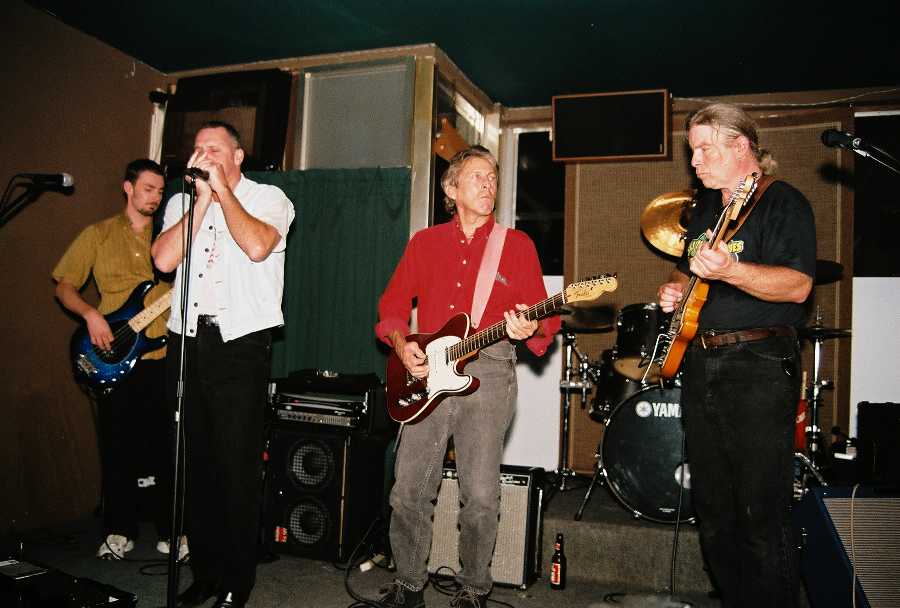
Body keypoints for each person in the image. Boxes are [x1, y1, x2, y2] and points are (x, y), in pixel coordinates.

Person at [375, 146, 560, 608]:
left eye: (493, 177)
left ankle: (475, 587)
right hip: (427, 373)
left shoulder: (517, 245)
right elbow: (392, 306)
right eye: (478, 176)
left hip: (491, 371)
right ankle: (409, 584)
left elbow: (546, 321)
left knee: (479, 496)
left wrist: (531, 328)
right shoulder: (424, 243)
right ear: (451, 187)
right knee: (408, 490)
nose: (489, 184)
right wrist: (401, 343)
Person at [657, 103, 816, 607]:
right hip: (702, 363)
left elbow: (798, 286)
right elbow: (691, 271)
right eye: (692, 151)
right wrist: (675, 290)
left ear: (741, 145)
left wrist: (732, 270)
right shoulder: (707, 209)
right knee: (714, 511)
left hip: (758, 364)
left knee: (760, 511)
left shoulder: (782, 201)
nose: (694, 161)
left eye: (705, 149)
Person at [151, 121, 294, 608]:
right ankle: (207, 573)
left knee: (236, 465)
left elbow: (256, 246)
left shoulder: (269, 198)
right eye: (197, 149)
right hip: (187, 340)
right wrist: (201, 201)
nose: (202, 155)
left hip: (239, 343)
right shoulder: (182, 201)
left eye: (213, 149)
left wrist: (222, 193)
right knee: (195, 464)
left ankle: (237, 579)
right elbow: (163, 260)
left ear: (237, 156)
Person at [53, 159, 186, 561]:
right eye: (148, 189)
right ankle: (118, 530)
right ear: (127, 188)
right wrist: (90, 315)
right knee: (116, 444)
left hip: (160, 353)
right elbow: (64, 286)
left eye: (160, 191)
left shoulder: (171, 238)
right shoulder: (98, 235)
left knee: (167, 446)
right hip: (111, 355)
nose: (155, 197)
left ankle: (171, 531)